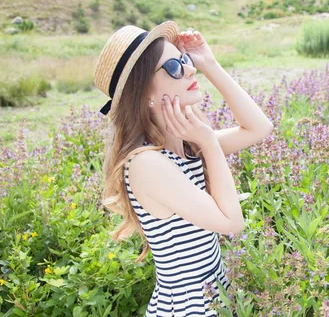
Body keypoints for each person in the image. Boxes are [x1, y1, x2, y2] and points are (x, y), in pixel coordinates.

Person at [93, 21, 274, 316]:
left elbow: (259, 128)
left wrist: (209, 63)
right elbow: (232, 223)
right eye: (175, 67)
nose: (189, 70)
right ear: (144, 93)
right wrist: (209, 143)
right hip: (190, 306)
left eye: (185, 60)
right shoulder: (147, 163)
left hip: (216, 298)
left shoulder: (186, 148)